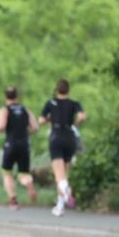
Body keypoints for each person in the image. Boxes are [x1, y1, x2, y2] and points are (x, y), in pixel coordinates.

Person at [38, 78, 86, 217]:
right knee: (64, 174)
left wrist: (50, 120)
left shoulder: (51, 103)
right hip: (70, 138)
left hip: (56, 137)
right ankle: (59, 207)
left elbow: (40, 120)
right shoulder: (74, 103)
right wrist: (75, 123)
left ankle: (66, 192)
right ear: (68, 90)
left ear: (56, 90)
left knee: (59, 176)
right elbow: (82, 116)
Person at [0, 86, 39, 210]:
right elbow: (35, 127)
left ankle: (13, 201)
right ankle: (29, 185)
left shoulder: (4, 110)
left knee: (7, 172)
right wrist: (25, 133)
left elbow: (2, 126)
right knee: (24, 172)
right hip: (24, 144)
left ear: (5, 97)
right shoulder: (26, 110)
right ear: (17, 96)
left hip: (10, 144)